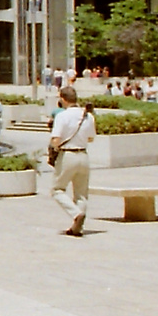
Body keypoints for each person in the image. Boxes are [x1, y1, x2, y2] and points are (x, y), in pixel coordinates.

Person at [49, 85, 96, 236]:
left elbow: (56, 139)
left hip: (68, 155)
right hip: (83, 155)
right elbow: (91, 138)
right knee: (81, 194)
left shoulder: (62, 116)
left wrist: (53, 149)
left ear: (63, 99)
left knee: (57, 189)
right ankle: (77, 227)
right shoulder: (87, 116)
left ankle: (76, 214)